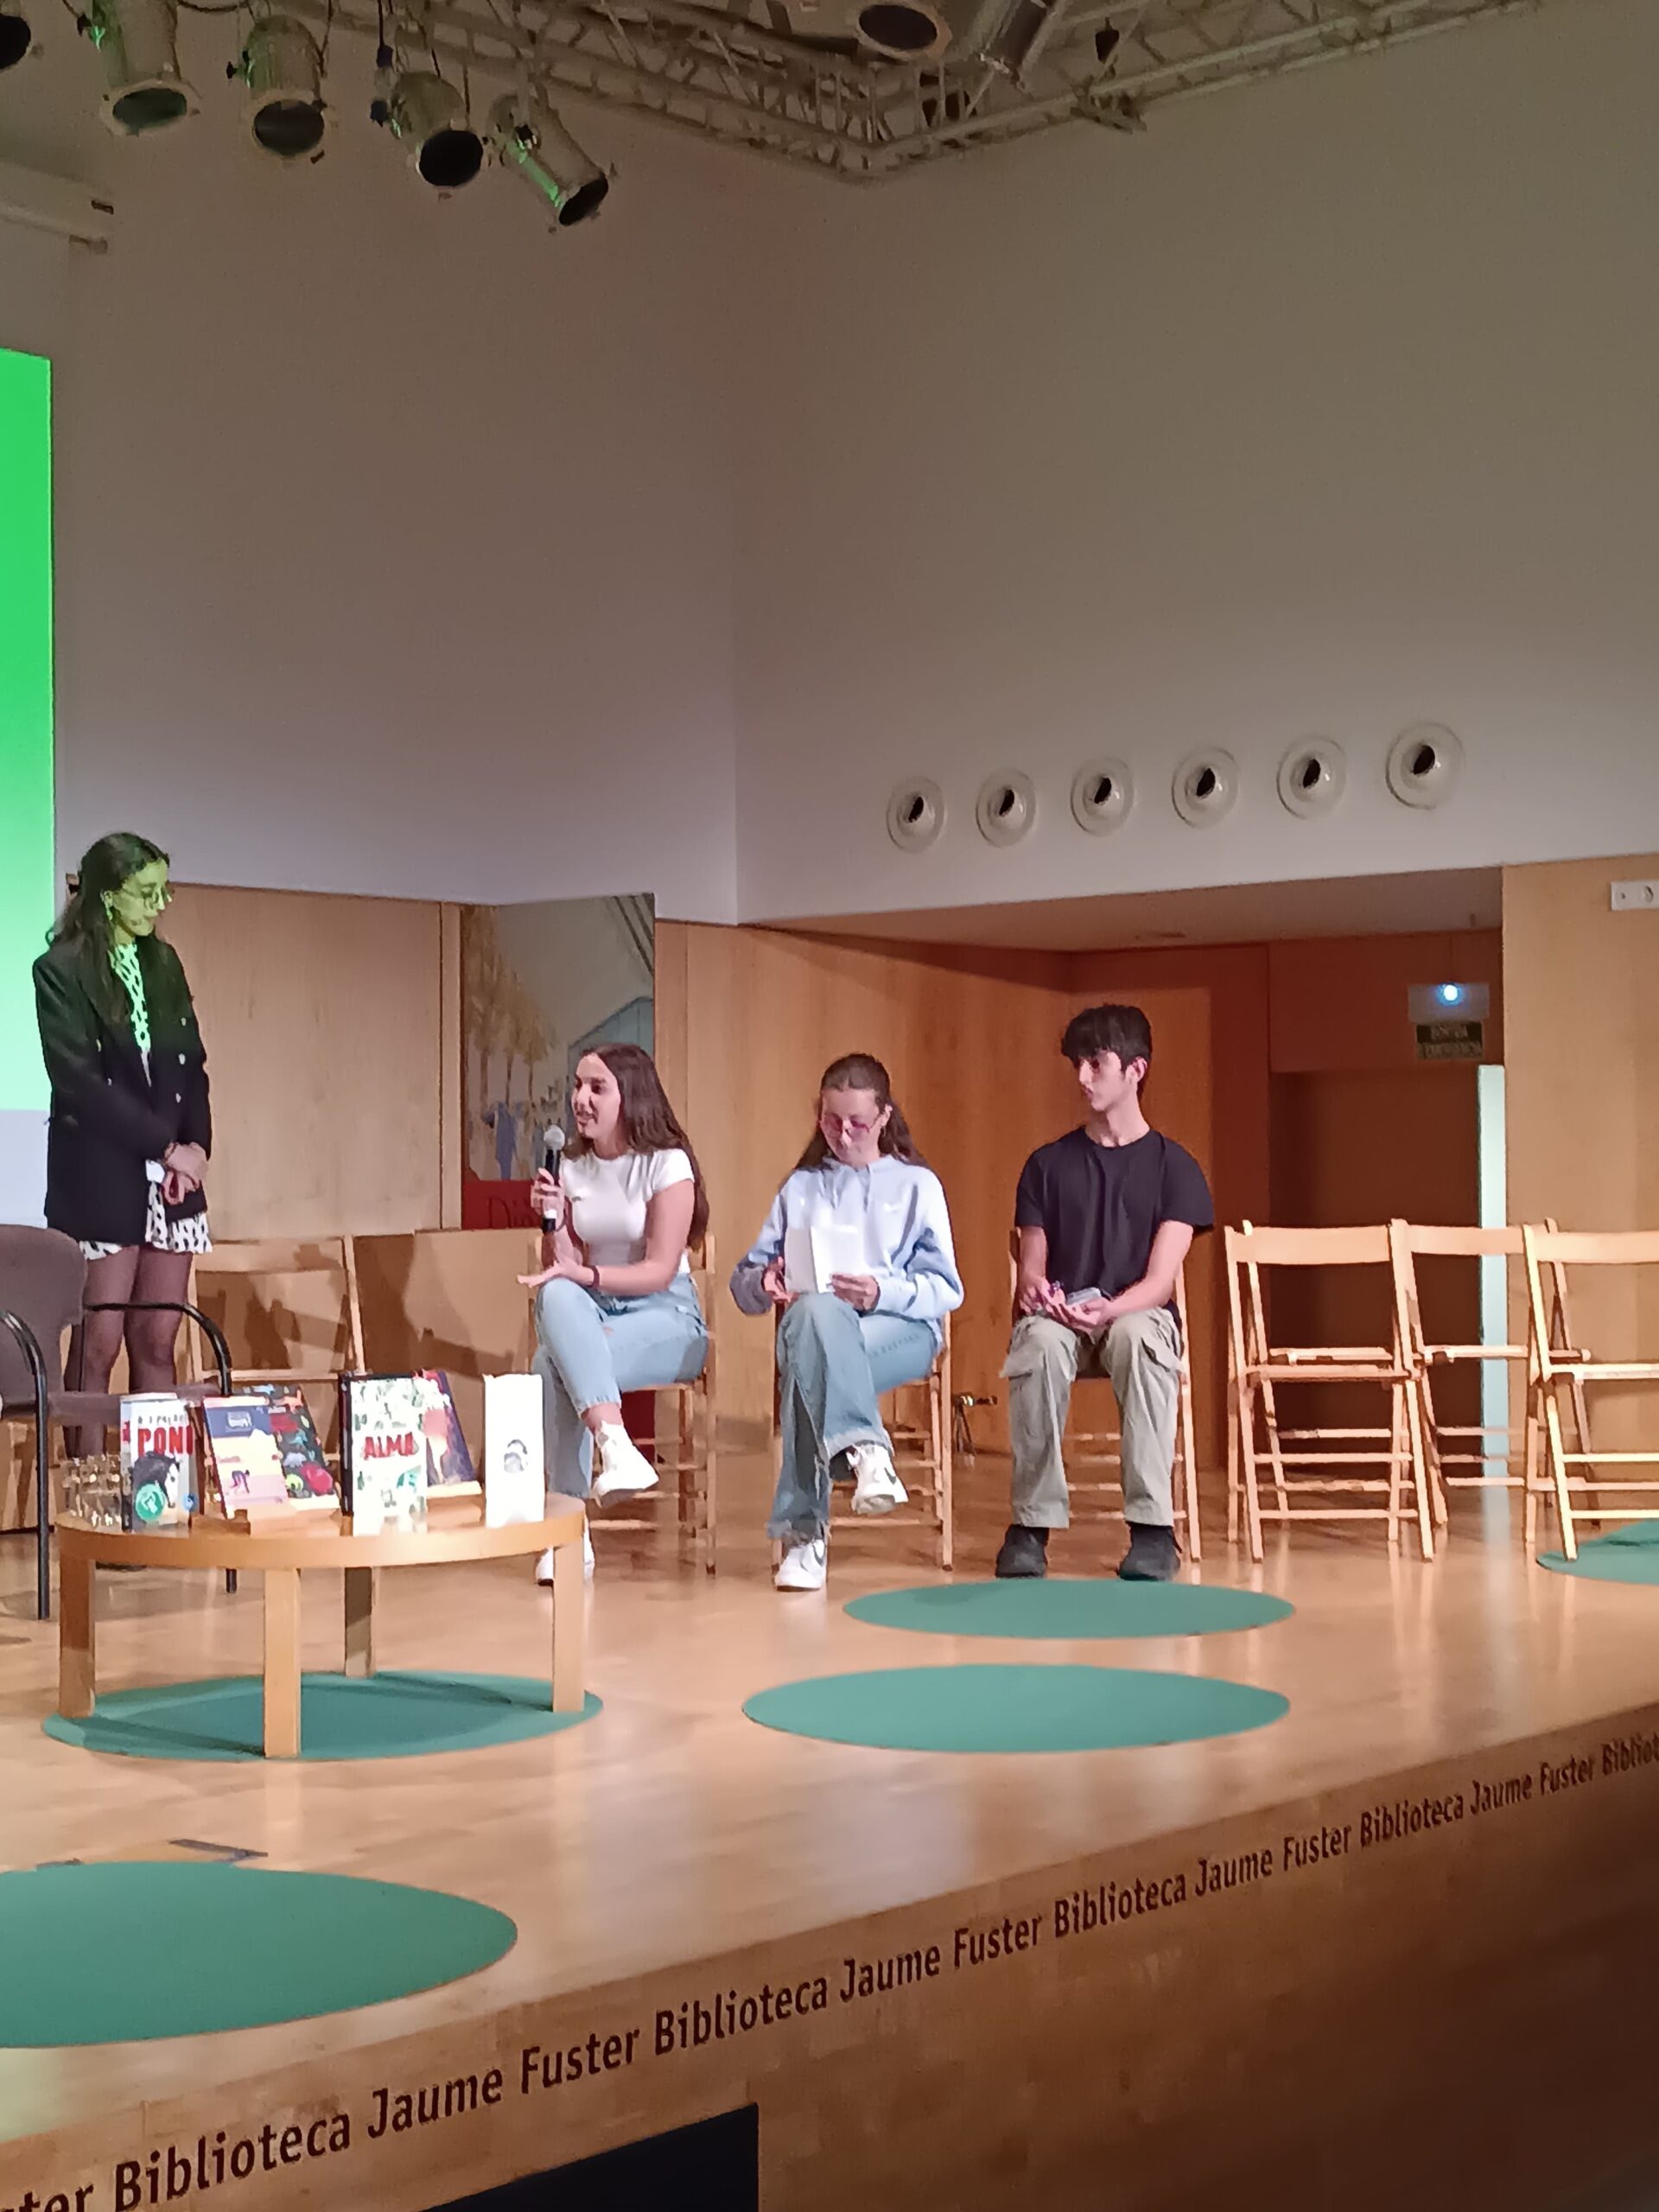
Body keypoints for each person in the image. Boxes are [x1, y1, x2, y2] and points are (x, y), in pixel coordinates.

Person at [995, 1003, 1213, 1586]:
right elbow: (1032, 1269)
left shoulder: (1176, 1168)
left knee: (1139, 1338)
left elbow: (1160, 1282)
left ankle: (1152, 1529)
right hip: (1063, 1318)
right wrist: (1041, 1294)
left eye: (1096, 1063)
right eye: (1077, 1064)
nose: (1083, 1076)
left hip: (1136, 1311)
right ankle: (1030, 1526)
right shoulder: (1046, 1165)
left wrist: (1109, 1309)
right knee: (1038, 1343)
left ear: (1136, 1070)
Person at [732, 1052, 963, 1593]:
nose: (842, 1134)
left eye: (857, 1123)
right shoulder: (800, 1187)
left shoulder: (917, 1185)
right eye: (831, 1121)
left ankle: (804, 1536)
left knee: (807, 1360)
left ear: (884, 1118)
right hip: (818, 1326)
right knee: (814, 1321)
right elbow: (744, 1283)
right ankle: (867, 1450)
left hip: (899, 1327)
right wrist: (765, 1282)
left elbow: (946, 1289)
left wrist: (882, 1290)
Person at [33, 835, 212, 1455]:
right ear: (108, 896)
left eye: (164, 890)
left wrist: (196, 1150)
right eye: (146, 892)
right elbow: (80, 1084)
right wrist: (165, 1147)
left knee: (158, 1340)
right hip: (102, 1178)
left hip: (172, 1180)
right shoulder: (60, 970)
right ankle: (85, 1492)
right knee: (98, 1346)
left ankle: (153, 1486)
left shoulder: (164, 964)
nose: (160, 904)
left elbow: (192, 1067)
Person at [521, 1043, 709, 1583]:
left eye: (597, 1088)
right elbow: (563, 1267)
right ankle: (613, 1447)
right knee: (555, 1299)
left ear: (631, 1096)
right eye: (578, 1086)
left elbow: (659, 1269)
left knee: (552, 1364)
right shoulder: (572, 1166)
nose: (581, 1099)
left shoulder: (667, 1163)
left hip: (667, 1316)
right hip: (595, 1315)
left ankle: (567, 1530)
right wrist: (554, 1220)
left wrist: (587, 1277)